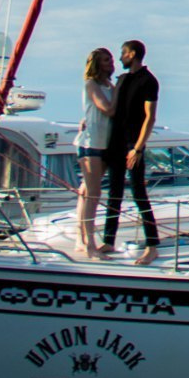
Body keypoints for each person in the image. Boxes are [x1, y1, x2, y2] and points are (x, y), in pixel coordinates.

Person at [101, 39, 160, 264]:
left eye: (123, 54)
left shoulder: (148, 81)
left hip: (133, 145)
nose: (120, 58)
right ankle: (109, 240)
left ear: (132, 54)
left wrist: (138, 148)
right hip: (115, 143)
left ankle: (152, 245)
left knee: (138, 194)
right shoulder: (122, 79)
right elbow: (111, 109)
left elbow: (150, 117)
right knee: (114, 193)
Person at [75, 47, 115, 259]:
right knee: (93, 193)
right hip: (91, 144)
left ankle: (80, 238)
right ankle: (90, 244)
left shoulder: (110, 85)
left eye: (110, 60)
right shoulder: (91, 84)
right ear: (97, 64)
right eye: (106, 60)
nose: (110, 63)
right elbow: (107, 108)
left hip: (105, 143)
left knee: (85, 192)